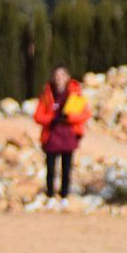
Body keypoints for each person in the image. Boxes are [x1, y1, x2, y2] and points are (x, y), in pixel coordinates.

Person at [34, 64, 91, 201]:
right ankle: (50, 195)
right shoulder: (47, 95)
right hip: (52, 135)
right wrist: (51, 119)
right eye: (56, 76)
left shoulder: (75, 94)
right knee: (50, 167)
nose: (59, 78)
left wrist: (69, 118)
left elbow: (86, 114)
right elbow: (37, 116)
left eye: (62, 75)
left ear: (67, 77)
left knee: (66, 168)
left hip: (68, 135)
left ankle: (64, 195)